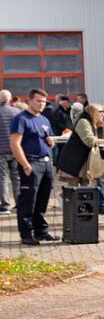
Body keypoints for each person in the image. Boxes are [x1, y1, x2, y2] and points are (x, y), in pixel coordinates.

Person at [9, 89, 57, 246]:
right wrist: (25, 164)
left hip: (46, 162)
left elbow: (49, 140)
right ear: (29, 100)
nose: (41, 104)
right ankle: (26, 233)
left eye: (44, 102)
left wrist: (51, 142)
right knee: (28, 200)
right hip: (31, 162)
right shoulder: (21, 119)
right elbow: (15, 143)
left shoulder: (44, 119)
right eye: (38, 101)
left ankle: (41, 231)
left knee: (43, 199)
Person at [0, 90, 21, 213]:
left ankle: (5, 205)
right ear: (10, 99)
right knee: (17, 177)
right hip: (15, 149)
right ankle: (19, 203)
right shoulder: (17, 113)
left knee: (2, 178)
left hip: (0, 151)